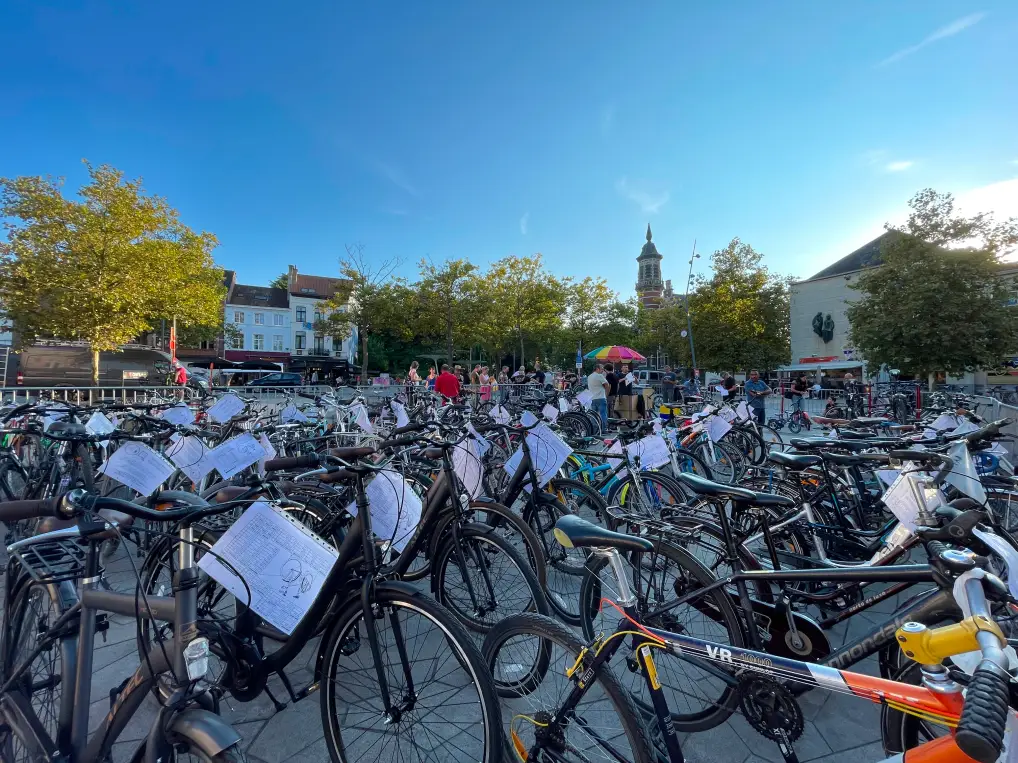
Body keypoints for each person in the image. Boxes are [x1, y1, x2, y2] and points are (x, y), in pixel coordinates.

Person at [586, 363, 610, 429]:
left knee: (594, 415)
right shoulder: (599, 376)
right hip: (601, 398)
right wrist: (606, 393)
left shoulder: (589, 376)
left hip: (593, 398)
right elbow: (607, 384)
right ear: (597, 369)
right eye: (601, 369)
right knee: (603, 414)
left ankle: (595, 429)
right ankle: (604, 429)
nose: (602, 370)